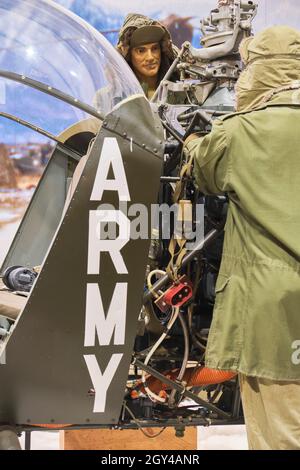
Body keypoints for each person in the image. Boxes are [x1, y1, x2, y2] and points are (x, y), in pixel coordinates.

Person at [185, 26, 300, 450]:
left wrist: (197, 138)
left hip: (273, 318)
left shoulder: (239, 131)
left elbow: (202, 168)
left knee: (280, 436)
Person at [116, 13, 178, 99]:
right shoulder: (110, 96)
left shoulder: (181, 90)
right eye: (141, 51)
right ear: (129, 55)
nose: (150, 57)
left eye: (155, 48)